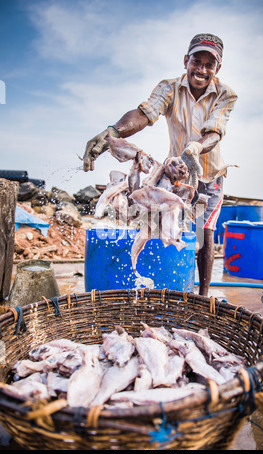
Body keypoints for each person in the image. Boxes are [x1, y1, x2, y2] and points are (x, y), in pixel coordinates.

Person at [83, 33, 237, 296]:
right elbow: (144, 114)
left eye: (208, 65)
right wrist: (115, 132)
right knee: (171, 228)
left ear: (217, 68)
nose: (201, 70)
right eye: (196, 61)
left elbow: (214, 131)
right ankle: (166, 285)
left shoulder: (226, 94)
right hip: (176, 175)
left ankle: (202, 295)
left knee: (204, 232)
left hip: (209, 175)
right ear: (185, 60)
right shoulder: (169, 87)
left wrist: (196, 147)